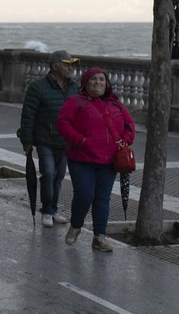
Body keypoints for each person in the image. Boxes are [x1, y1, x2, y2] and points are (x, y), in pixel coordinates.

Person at [56, 67, 135, 253]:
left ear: (107, 83)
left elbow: (129, 125)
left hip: (109, 161)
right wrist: (81, 140)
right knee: (84, 194)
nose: (98, 83)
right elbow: (63, 123)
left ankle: (99, 237)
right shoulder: (75, 102)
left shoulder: (115, 104)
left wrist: (124, 141)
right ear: (85, 83)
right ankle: (76, 226)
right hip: (81, 158)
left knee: (102, 199)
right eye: (93, 80)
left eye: (101, 79)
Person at [18, 51, 79, 228]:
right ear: (55, 66)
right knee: (49, 174)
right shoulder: (37, 87)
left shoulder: (74, 87)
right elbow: (28, 115)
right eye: (66, 64)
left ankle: (53, 209)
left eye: (71, 64)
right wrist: (27, 141)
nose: (70, 67)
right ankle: (46, 210)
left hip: (65, 141)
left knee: (59, 177)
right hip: (45, 140)